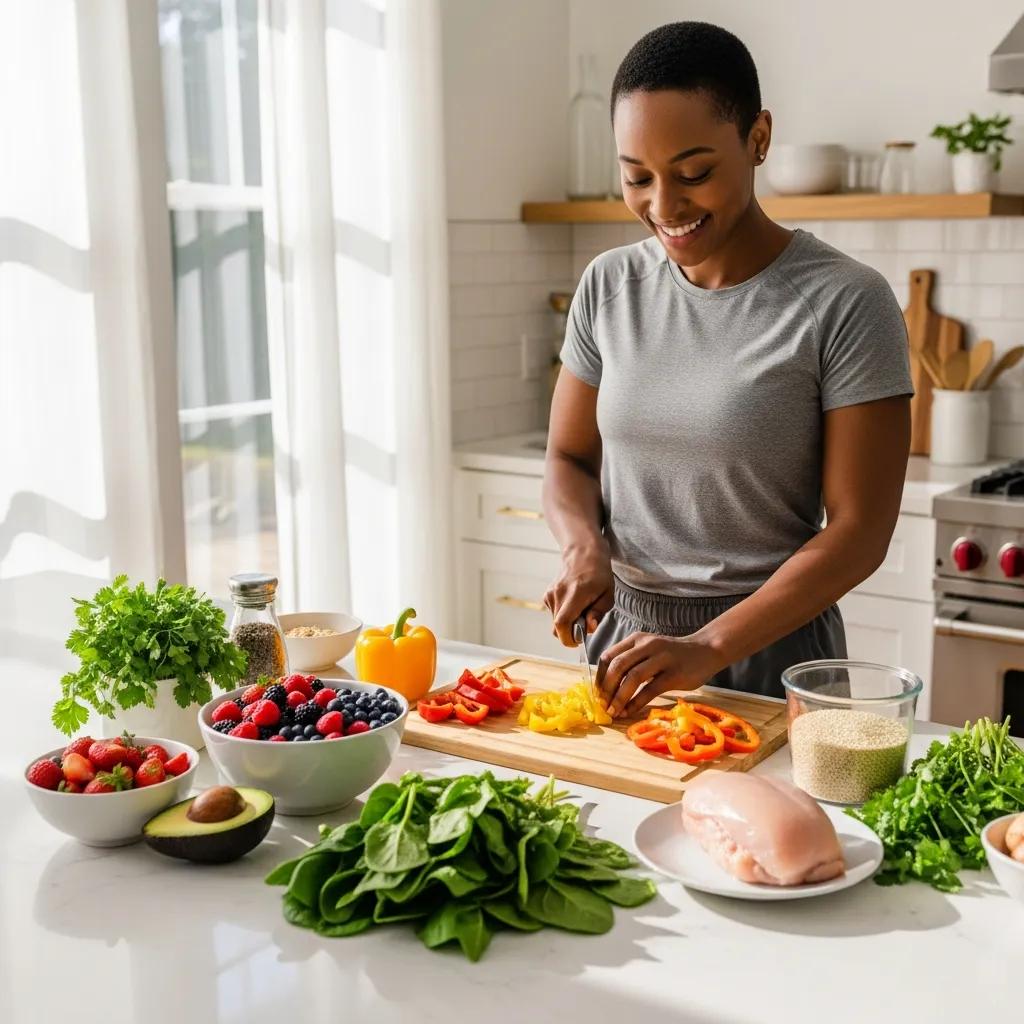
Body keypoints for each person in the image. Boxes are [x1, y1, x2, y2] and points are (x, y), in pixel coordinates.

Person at [542, 21, 913, 719]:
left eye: (694, 173)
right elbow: (567, 457)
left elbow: (861, 529)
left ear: (758, 139)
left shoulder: (845, 301)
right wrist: (581, 550)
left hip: (776, 652)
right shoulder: (607, 285)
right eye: (637, 178)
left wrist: (710, 646)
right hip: (626, 650)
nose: (664, 206)